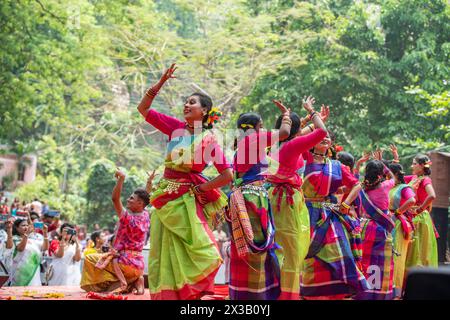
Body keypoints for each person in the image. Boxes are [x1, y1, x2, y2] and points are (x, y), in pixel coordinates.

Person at [138, 63, 233, 300]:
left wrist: (202, 187)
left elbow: (227, 175)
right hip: (163, 199)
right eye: (186, 102)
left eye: (192, 102)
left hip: (187, 202)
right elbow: (143, 108)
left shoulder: (209, 140)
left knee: (204, 252)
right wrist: (160, 83)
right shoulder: (175, 127)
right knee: (163, 251)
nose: (186, 105)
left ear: (204, 111)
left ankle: (190, 295)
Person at [226, 99, 293, 300]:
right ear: (255, 128)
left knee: (244, 246)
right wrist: (286, 115)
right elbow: (284, 133)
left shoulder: (242, 146)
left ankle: (241, 294)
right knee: (257, 246)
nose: (263, 129)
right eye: (261, 125)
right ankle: (258, 297)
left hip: (241, 198)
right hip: (253, 200)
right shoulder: (254, 140)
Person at [265, 97, 328, 300]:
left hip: (274, 198)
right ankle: (287, 295)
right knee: (291, 250)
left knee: (278, 247)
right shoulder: (292, 147)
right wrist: (312, 112)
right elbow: (322, 132)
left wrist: (307, 119)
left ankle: (273, 291)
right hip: (287, 203)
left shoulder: (275, 145)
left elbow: (301, 132)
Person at [299, 131, 369, 299]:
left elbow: (356, 185)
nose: (324, 138)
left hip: (330, 215)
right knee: (307, 255)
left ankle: (338, 290)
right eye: (320, 136)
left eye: (327, 137)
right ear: (313, 141)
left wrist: (345, 204)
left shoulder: (337, 166)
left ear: (330, 144)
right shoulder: (305, 159)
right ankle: (308, 292)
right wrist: (313, 120)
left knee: (339, 253)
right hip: (306, 213)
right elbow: (297, 139)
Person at [81, 169, 150, 295]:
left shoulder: (128, 219)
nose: (128, 200)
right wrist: (149, 184)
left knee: (89, 259)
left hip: (124, 263)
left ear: (139, 203)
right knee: (111, 287)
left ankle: (129, 282)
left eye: (131, 198)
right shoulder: (145, 215)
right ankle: (134, 280)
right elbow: (145, 199)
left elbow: (115, 199)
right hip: (139, 264)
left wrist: (121, 178)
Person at [352, 159, 395, 300]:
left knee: (365, 261)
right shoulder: (385, 186)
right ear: (380, 175)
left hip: (362, 227)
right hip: (380, 229)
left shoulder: (362, 188)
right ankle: (379, 294)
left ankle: (363, 292)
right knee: (381, 261)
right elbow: (393, 177)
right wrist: (382, 163)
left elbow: (355, 176)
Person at [404, 154, 438, 268]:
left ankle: (420, 280)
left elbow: (432, 195)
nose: (412, 166)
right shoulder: (413, 178)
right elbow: (396, 177)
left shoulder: (425, 179)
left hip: (420, 219)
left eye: (414, 163)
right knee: (410, 250)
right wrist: (393, 159)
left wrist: (420, 208)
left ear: (422, 165)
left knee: (419, 252)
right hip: (411, 217)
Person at [388, 161, 416, 298]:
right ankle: (387, 287)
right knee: (388, 255)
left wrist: (398, 211)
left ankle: (396, 291)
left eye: (389, 173)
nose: (386, 176)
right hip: (389, 221)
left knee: (397, 256)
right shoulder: (390, 186)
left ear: (397, 174)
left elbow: (412, 200)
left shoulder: (404, 187)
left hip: (398, 224)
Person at [5, 217, 49, 286]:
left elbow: (45, 248)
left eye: (27, 225)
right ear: (17, 228)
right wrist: (27, 234)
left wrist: (45, 233)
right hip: (20, 274)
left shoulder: (32, 240)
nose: (26, 227)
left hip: (34, 275)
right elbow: (20, 248)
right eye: (23, 225)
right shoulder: (14, 239)